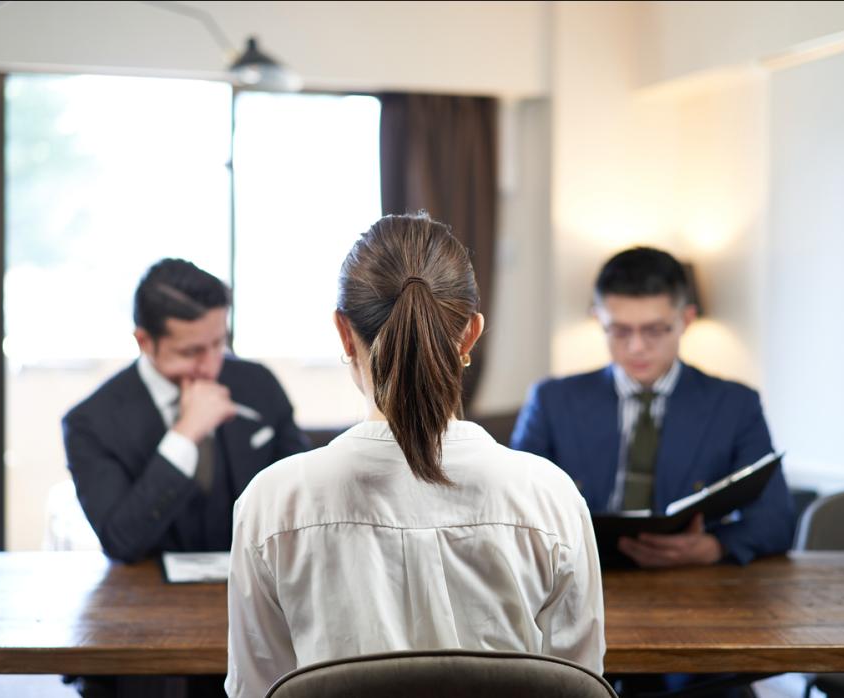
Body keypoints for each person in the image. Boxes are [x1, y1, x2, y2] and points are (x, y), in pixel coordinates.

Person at [225, 213, 605, 698]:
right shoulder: (550, 496)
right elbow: (577, 684)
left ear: (344, 333)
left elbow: (258, 691)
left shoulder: (271, 502)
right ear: (470, 334)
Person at [511, 246, 795, 568]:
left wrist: (714, 546)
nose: (636, 347)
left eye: (654, 330)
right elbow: (513, 506)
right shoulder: (552, 400)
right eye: (619, 330)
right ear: (598, 319)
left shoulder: (735, 404)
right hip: (572, 577)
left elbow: (777, 520)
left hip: (694, 586)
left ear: (686, 319)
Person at [63, 258, 309, 564]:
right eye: (190, 352)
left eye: (219, 343)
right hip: (147, 598)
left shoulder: (259, 383)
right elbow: (120, 541)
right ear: (144, 341)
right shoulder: (90, 423)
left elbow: (302, 496)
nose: (210, 367)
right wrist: (185, 434)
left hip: (259, 585)